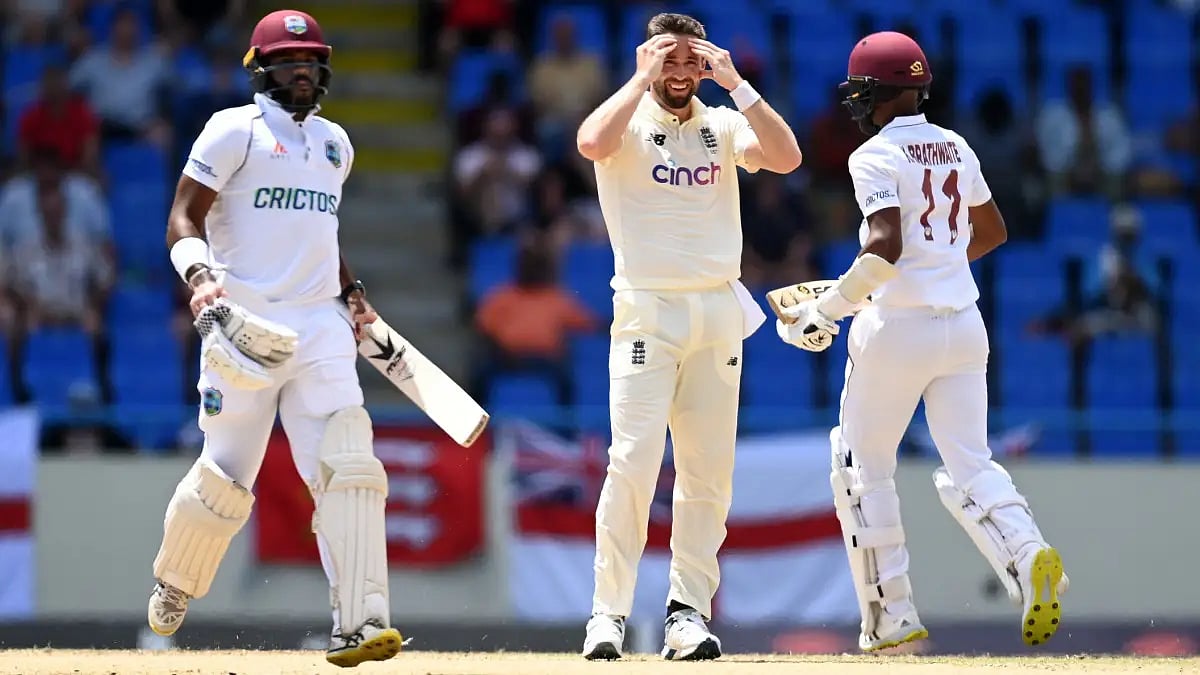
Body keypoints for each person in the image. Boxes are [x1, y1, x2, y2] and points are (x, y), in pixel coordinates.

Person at [776, 32, 1068, 652]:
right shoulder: (956, 145)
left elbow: (882, 246)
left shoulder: (872, 155)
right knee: (971, 462)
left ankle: (891, 617)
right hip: (963, 323)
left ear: (874, 95)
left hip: (897, 329)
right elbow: (991, 230)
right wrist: (932, 264)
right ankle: (1031, 555)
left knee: (860, 467)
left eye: (860, 94)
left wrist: (827, 310)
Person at [144, 10, 402, 668]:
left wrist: (351, 294)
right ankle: (176, 578)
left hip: (321, 326)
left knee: (348, 469)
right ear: (260, 68)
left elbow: (322, 234)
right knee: (225, 480)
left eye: (313, 61)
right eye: (291, 60)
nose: (303, 71)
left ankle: (358, 622)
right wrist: (200, 277)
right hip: (245, 324)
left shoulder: (337, 143)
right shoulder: (233, 130)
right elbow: (182, 216)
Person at [575, 12, 802, 661]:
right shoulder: (626, 121)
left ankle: (687, 613)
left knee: (707, 474)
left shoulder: (722, 124)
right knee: (633, 463)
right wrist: (639, 76)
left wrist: (735, 82)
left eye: (690, 61)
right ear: (649, 59)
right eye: (667, 60)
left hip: (716, 315)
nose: (679, 73)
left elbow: (787, 156)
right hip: (648, 313)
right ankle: (607, 614)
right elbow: (591, 142)